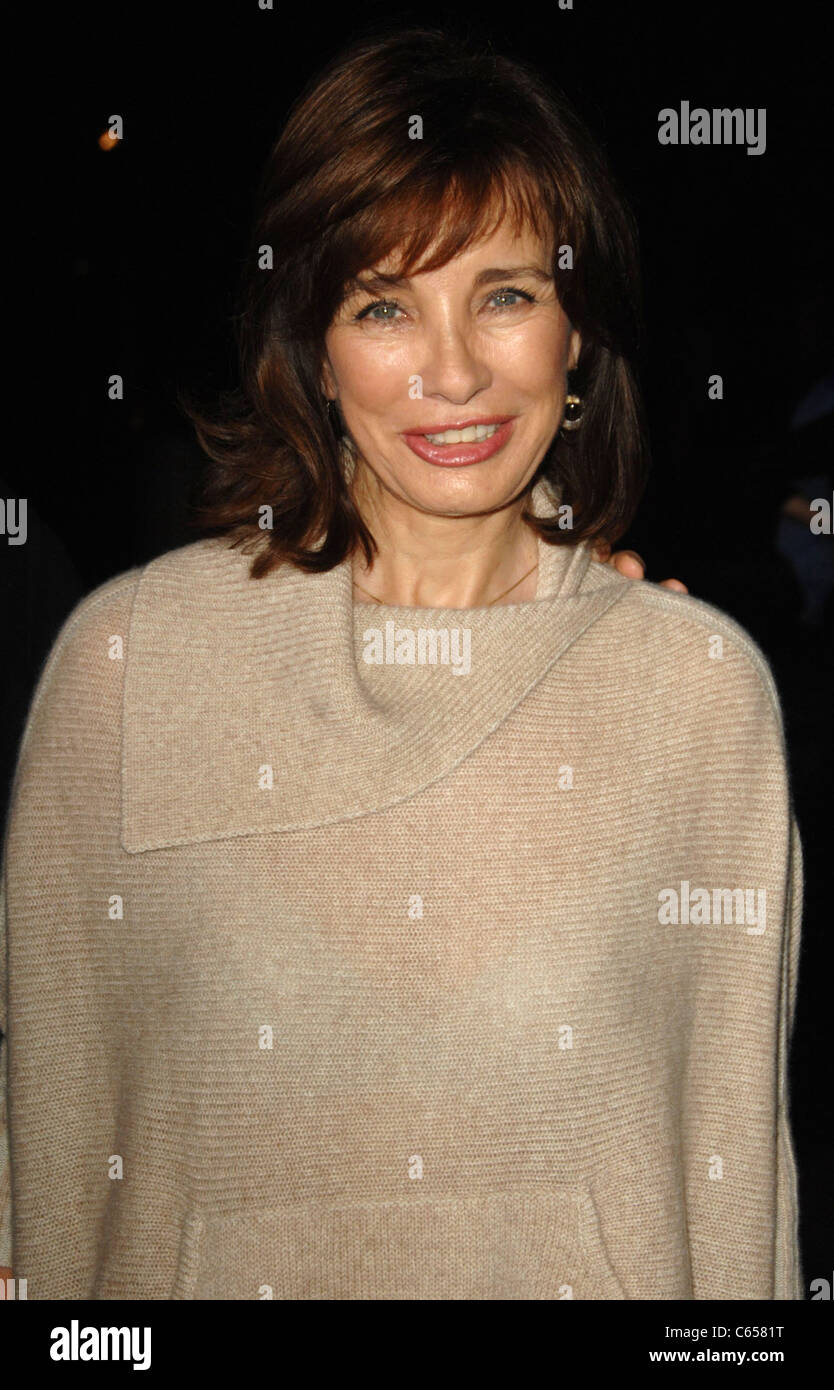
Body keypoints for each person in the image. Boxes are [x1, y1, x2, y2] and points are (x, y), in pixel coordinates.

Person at [0, 26, 801, 1299]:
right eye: (384, 305)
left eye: (506, 294)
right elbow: (45, 1172)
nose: (453, 371)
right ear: (314, 347)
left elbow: (731, 1187)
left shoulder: (695, 699)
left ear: (577, 332)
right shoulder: (129, 669)